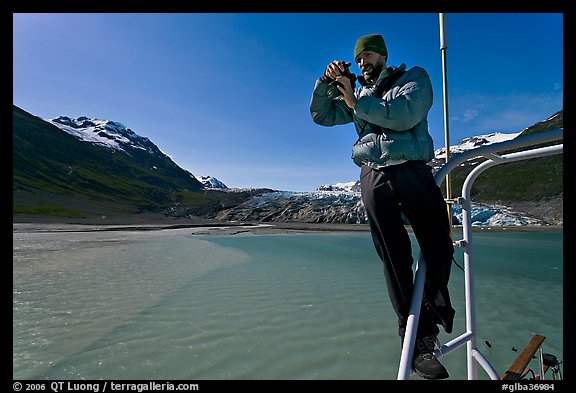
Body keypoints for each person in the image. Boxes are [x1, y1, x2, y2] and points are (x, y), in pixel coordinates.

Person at [309, 33, 455, 380]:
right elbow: (321, 116)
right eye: (359, 59)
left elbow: (403, 116)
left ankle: (430, 316)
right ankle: (417, 338)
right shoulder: (356, 94)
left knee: (438, 243)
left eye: (369, 56)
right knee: (392, 254)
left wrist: (355, 101)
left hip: (412, 167)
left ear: (384, 57)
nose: (363, 63)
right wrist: (327, 83)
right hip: (374, 171)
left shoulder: (413, 78)